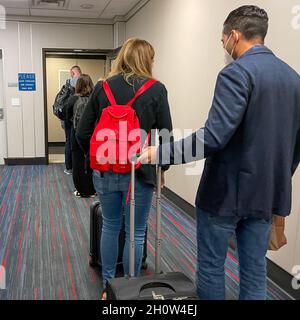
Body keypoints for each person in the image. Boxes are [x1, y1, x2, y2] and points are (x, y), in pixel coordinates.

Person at [139, 5, 300, 300]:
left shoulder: (235, 73)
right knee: (254, 274)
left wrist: (161, 153)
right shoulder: (294, 79)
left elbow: (212, 137)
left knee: (212, 268)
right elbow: (294, 146)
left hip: (225, 196)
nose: (223, 47)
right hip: (266, 196)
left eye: (222, 40)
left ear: (234, 36)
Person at [76, 38, 173, 300]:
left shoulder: (102, 87)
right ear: (148, 60)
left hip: (105, 171)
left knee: (110, 225)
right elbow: (166, 138)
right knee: (136, 231)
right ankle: (130, 288)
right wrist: (160, 169)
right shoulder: (156, 89)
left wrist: (96, 157)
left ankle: (109, 286)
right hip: (139, 173)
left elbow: (82, 132)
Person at [66, 74, 96, 198]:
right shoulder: (95, 98)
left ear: (77, 85)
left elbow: (67, 117)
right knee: (92, 162)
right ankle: (93, 189)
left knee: (78, 164)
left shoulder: (73, 99)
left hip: (76, 135)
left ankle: (81, 191)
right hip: (93, 135)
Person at [63, 65, 82, 175]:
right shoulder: (85, 82)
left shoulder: (68, 83)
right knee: (78, 142)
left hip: (68, 119)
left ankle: (69, 168)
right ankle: (78, 167)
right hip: (79, 118)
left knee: (69, 142)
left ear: (73, 73)